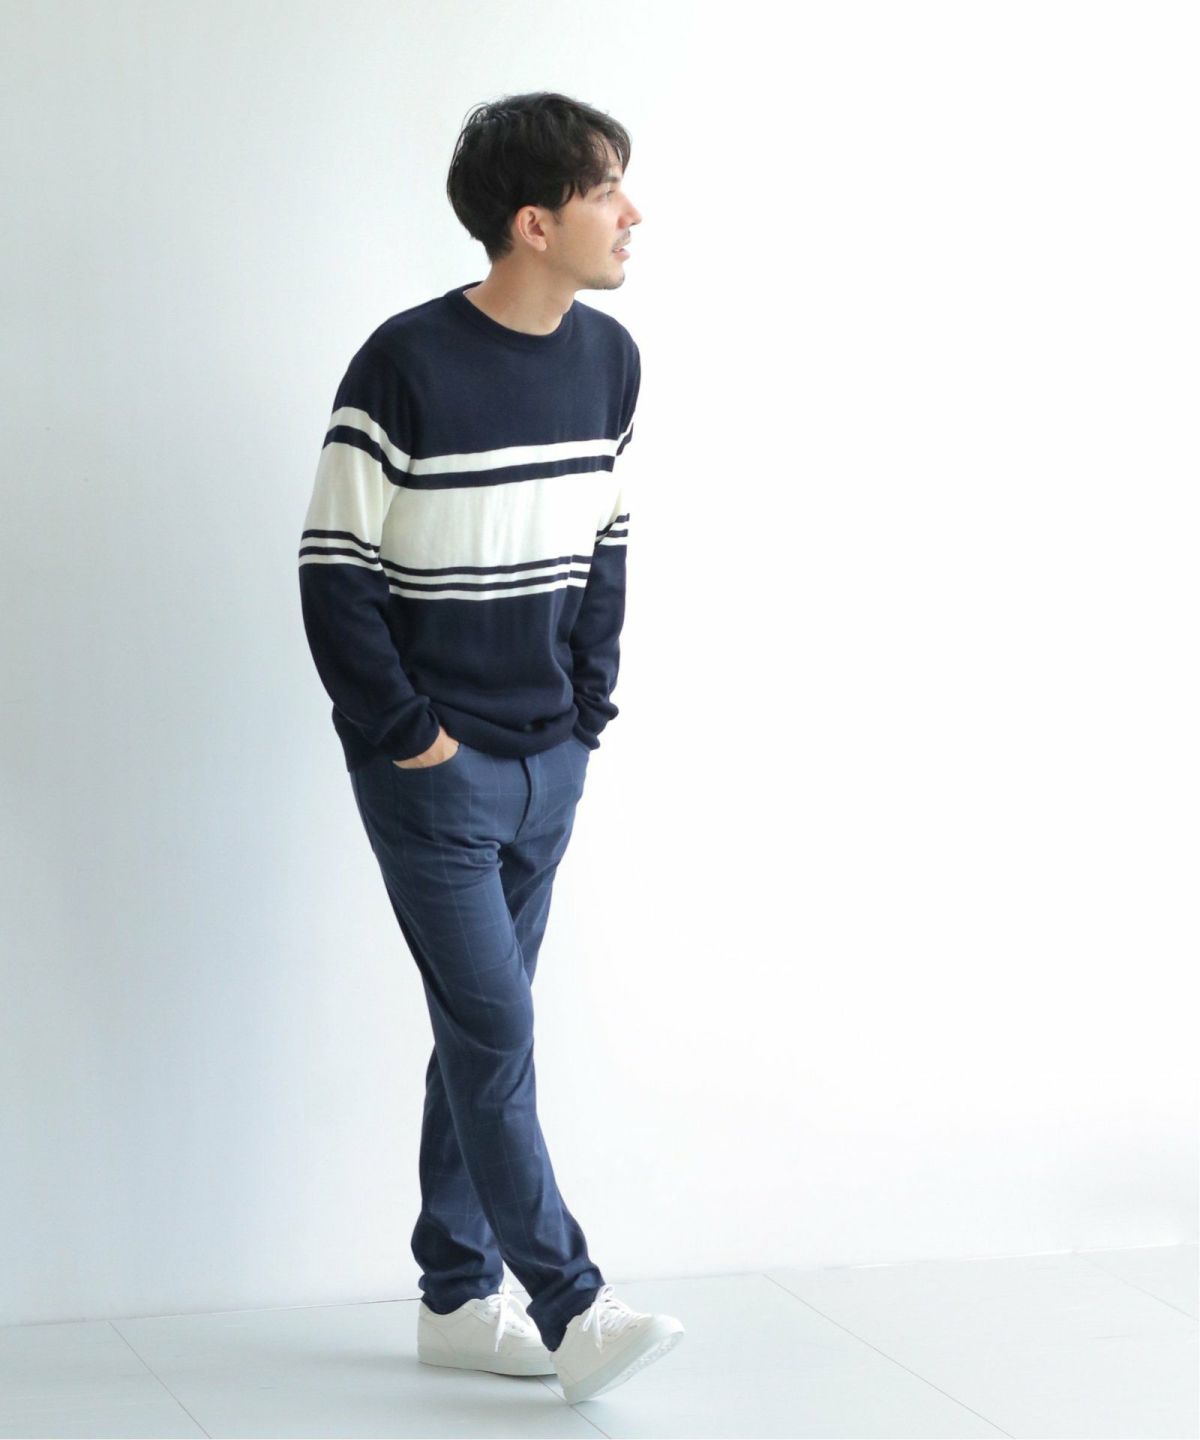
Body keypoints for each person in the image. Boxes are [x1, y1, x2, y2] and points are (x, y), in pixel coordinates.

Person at [297, 91, 683, 1404]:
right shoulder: (403, 366)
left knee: (482, 1035)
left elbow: (608, 542)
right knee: (497, 1026)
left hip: (547, 761)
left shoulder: (611, 358)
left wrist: (587, 712)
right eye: (607, 190)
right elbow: (333, 570)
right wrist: (412, 739)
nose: (632, 214)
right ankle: (574, 1308)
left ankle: (458, 1297)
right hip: (436, 777)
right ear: (533, 222)